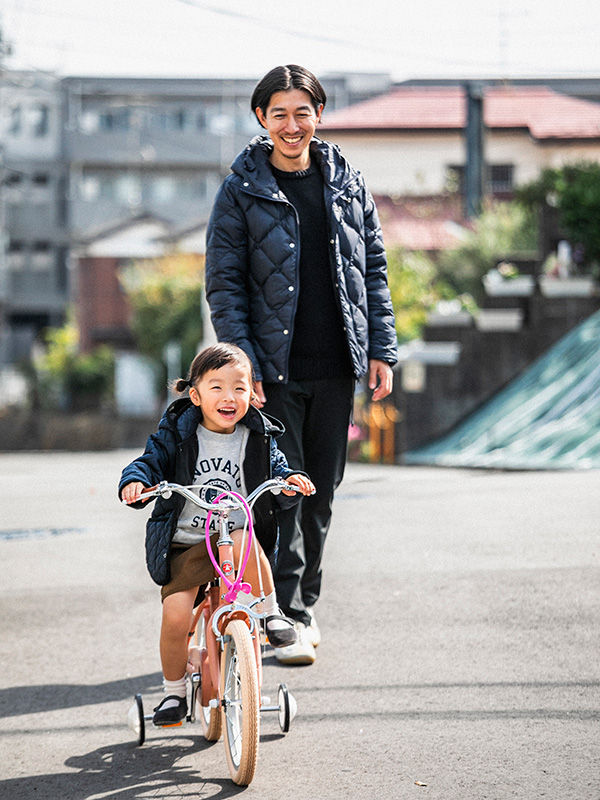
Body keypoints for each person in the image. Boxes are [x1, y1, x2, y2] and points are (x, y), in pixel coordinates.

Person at [205, 64, 397, 665]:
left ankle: (301, 606)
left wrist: (383, 348)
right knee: (277, 492)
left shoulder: (346, 182)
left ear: (318, 114)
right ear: (261, 118)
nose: (292, 125)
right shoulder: (241, 188)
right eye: (279, 113)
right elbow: (225, 282)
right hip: (272, 368)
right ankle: (273, 611)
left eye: (303, 112)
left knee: (322, 492)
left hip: (337, 362)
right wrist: (243, 363)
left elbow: (374, 271)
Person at [119, 343, 315, 724]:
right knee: (176, 614)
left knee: (244, 536)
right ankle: (174, 693)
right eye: (217, 388)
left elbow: (278, 468)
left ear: (252, 394)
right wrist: (136, 482)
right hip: (187, 542)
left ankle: (272, 613)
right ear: (194, 395)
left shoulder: (257, 435)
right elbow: (150, 462)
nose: (229, 397)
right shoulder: (176, 432)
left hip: (235, 537)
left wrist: (290, 481)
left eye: (240, 388)